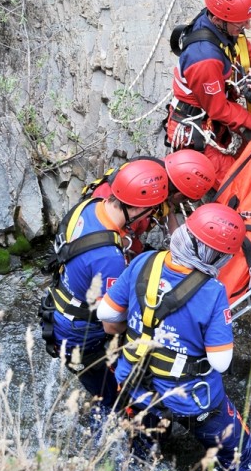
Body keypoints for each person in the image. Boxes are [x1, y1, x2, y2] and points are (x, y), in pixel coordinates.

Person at [97, 202, 251, 471]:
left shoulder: (144, 261)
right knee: (238, 453)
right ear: (218, 255)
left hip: (137, 386)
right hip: (195, 400)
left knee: (141, 450)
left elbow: (106, 312)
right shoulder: (212, 291)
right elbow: (221, 362)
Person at [38, 159, 169, 415]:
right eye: (150, 210)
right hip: (80, 335)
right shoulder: (108, 256)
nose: (151, 216)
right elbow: (111, 323)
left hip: (58, 307)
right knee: (111, 401)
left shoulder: (91, 205)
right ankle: (106, 443)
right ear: (136, 209)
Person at [167, 0, 251, 185]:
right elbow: (219, 109)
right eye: (242, 23)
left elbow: (239, 45)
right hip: (196, 131)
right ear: (218, 19)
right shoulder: (204, 58)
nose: (248, 26)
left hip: (213, 119)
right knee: (237, 187)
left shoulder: (221, 25)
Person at [85, 150, 218, 252]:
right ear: (177, 193)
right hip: (101, 241)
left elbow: (168, 212)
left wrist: (180, 244)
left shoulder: (160, 176)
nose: (183, 202)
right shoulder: (128, 200)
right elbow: (108, 242)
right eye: (185, 198)